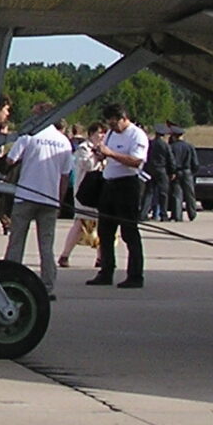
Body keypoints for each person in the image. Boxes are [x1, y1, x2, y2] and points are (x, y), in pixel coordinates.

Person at [3, 104, 72, 298]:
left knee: (16, 242)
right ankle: (48, 285)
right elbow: (65, 176)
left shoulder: (29, 136)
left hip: (26, 196)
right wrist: (60, 200)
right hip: (49, 199)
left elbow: (10, 160)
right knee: (46, 245)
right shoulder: (64, 142)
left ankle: (10, 279)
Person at [86, 104, 147, 288]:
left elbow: (136, 161)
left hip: (127, 185)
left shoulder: (136, 135)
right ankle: (106, 271)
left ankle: (135, 275)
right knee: (105, 232)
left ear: (123, 118)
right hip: (109, 184)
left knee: (129, 232)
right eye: (109, 122)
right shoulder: (112, 134)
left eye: (114, 121)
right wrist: (101, 155)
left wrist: (111, 153)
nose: (112, 126)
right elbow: (108, 155)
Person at [59, 122, 105, 268]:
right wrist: (98, 156)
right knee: (80, 223)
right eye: (99, 133)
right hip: (85, 192)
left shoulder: (104, 149)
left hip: (100, 191)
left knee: (102, 224)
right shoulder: (83, 148)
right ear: (91, 134)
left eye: (104, 133)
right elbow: (88, 166)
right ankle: (65, 255)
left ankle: (101, 257)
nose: (102, 136)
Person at [167, 127, 198, 221]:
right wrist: (193, 171)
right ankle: (192, 214)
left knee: (177, 194)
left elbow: (169, 161)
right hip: (187, 171)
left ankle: (177, 215)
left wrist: (171, 172)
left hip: (176, 172)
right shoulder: (189, 146)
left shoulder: (171, 147)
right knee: (190, 194)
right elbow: (195, 162)